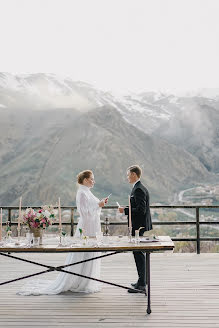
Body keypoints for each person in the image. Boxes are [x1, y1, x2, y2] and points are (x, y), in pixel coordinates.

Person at [17, 170, 108, 295]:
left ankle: (86, 280)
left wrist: (99, 204)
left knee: (89, 252)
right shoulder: (82, 193)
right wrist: (99, 205)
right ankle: (78, 280)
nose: (94, 181)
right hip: (87, 226)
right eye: (92, 179)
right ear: (85, 180)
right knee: (83, 251)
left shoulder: (87, 191)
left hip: (92, 225)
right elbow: (84, 213)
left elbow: (92, 209)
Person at [119, 165, 152, 293]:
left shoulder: (138, 189)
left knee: (138, 254)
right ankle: (141, 280)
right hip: (138, 225)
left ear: (134, 174)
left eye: (128, 175)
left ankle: (142, 284)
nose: (127, 177)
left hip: (138, 226)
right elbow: (138, 206)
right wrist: (127, 208)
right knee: (138, 253)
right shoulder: (139, 188)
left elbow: (141, 210)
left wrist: (125, 210)